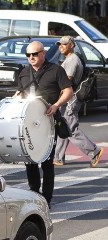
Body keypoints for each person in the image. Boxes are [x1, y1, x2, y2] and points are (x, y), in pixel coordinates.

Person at [15, 40, 73, 206]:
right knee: (30, 159)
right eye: (28, 55)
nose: (31, 57)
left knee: (47, 162)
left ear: (43, 53)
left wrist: (56, 105)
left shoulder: (56, 70)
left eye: (35, 54)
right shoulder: (24, 72)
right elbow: (20, 93)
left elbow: (68, 91)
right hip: (28, 123)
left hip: (48, 122)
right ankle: (34, 192)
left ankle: (47, 197)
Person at [54, 36, 104, 167]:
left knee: (70, 129)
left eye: (64, 44)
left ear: (71, 45)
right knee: (63, 126)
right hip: (69, 98)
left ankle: (94, 151)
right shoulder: (69, 59)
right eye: (59, 44)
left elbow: (67, 81)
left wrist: (57, 96)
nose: (61, 46)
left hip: (71, 99)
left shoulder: (72, 60)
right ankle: (58, 157)